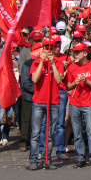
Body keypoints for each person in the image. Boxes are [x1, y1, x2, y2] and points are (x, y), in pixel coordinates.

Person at [65, 43, 91, 169]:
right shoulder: (72, 67)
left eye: (77, 52)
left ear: (85, 53)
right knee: (77, 132)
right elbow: (67, 86)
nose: (75, 54)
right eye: (74, 52)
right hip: (75, 103)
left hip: (88, 103)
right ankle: (80, 157)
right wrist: (74, 83)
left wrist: (86, 81)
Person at [28, 39, 64, 170]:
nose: (48, 50)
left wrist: (53, 63)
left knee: (50, 134)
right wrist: (42, 62)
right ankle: (33, 159)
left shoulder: (58, 62)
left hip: (53, 101)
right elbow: (35, 79)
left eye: (51, 47)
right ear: (42, 48)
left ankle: (47, 160)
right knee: (36, 132)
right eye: (46, 47)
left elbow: (59, 80)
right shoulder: (36, 62)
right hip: (39, 101)